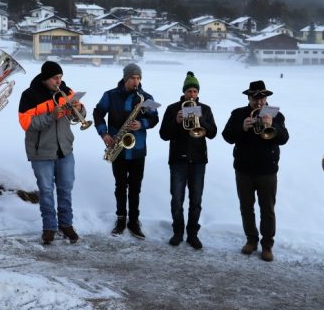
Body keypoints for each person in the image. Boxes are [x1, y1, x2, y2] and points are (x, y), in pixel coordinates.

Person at [18, 61, 87, 245]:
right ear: (46, 78)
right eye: (55, 78)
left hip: (65, 149)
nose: (59, 81)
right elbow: (27, 124)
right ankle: (49, 227)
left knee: (66, 189)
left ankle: (66, 224)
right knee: (47, 191)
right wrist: (51, 116)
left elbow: (77, 116)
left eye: (60, 77)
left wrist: (80, 110)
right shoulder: (29, 95)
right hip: (41, 152)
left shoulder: (67, 91)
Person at [221, 80, 289, 262]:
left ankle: (267, 245)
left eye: (262, 98)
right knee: (246, 208)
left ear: (266, 98)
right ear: (249, 97)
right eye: (255, 98)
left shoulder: (276, 114)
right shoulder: (238, 114)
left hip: (267, 170)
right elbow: (227, 136)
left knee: (267, 209)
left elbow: (284, 138)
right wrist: (242, 128)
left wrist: (272, 125)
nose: (259, 102)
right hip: (244, 170)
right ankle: (251, 240)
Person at [93, 63, 159, 239]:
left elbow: (154, 118)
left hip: (138, 149)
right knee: (120, 186)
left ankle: (134, 221)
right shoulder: (110, 95)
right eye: (132, 78)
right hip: (118, 147)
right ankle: (121, 219)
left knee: (135, 187)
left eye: (138, 78)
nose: (136, 81)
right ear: (125, 78)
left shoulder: (147, 98)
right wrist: (104, 134)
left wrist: (142, 124)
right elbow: (97, 113)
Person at [158, 71, 218, 249]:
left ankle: (193, 234)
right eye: (189, 91)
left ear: (198, 93)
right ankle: (178, 232)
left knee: (196, 200)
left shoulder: (205, 109)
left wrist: (202, 122)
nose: (192, 94)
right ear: (184, 91)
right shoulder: (172, 108)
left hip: (199, 161)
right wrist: (176, 121)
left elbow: (213, 133)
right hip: (178, 160)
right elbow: (163, 135)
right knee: (177, 199)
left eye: (194, 91)